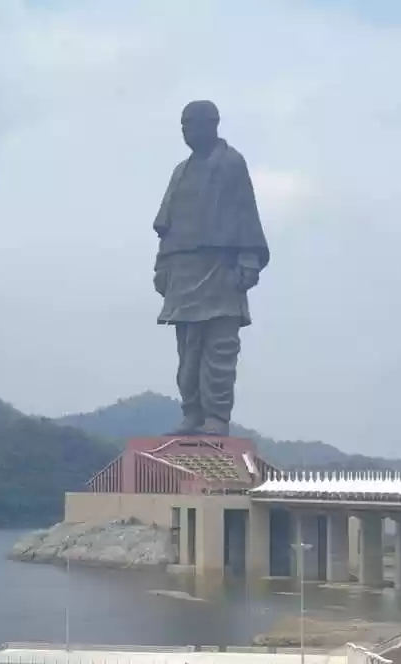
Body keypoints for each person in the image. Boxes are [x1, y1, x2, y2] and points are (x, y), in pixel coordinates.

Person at [152, 100, 270, 436]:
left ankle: (216, 416)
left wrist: (248, 260)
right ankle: (192, 412)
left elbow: (245, 212)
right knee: (187, 350)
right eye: (183, 125)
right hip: (183, 269)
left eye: (193, 123)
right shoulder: (181, 170)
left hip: (220, 267)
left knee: (219, 348)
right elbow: (166, 226)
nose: (187, 131)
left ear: (213, 124)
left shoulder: (231, 163)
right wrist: (162, 266)